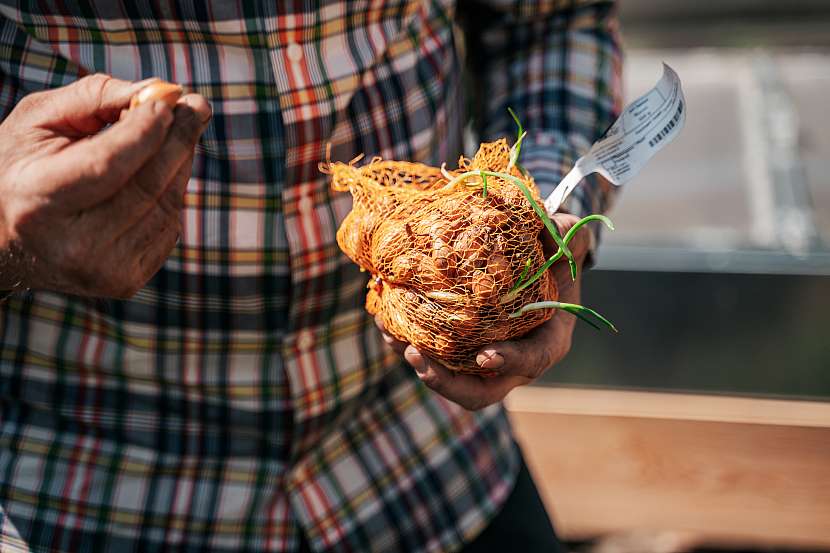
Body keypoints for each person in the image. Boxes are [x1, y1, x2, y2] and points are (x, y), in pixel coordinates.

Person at [0, 1, 621, 551]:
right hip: (80, 493)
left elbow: (549, 22)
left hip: (422, 461)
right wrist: (7, 234)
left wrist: (542, 217)